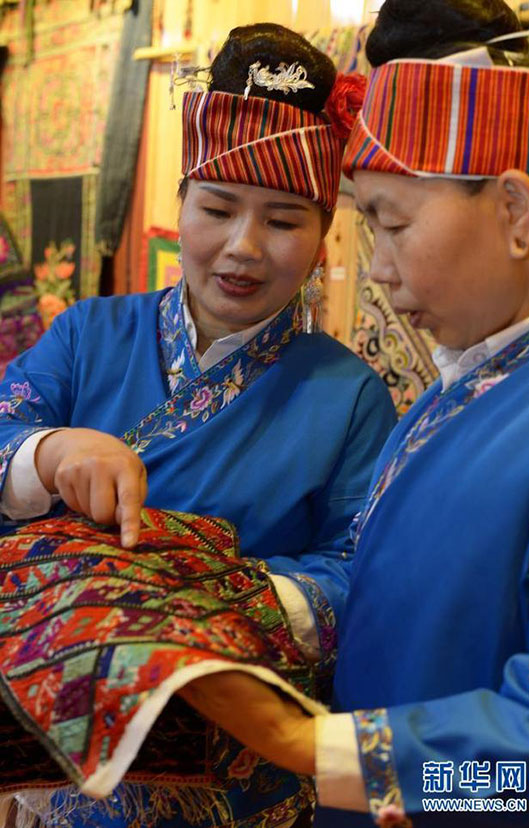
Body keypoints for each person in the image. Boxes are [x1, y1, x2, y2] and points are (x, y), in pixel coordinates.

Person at [0, 21, 396, 828]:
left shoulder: (350, 394)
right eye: (217, 208)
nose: (242, 248)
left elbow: (365, 572)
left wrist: (206, 599)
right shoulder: (86, 333)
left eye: (284, 221)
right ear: (180, 205)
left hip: (235, 774)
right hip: (70, 773)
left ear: (325, 239)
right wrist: (48, 452)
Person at [176, 2, 529, 826]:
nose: (374, 268)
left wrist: (309, 748)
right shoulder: (455, 398)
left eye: (392, 222)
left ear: (516, 213)